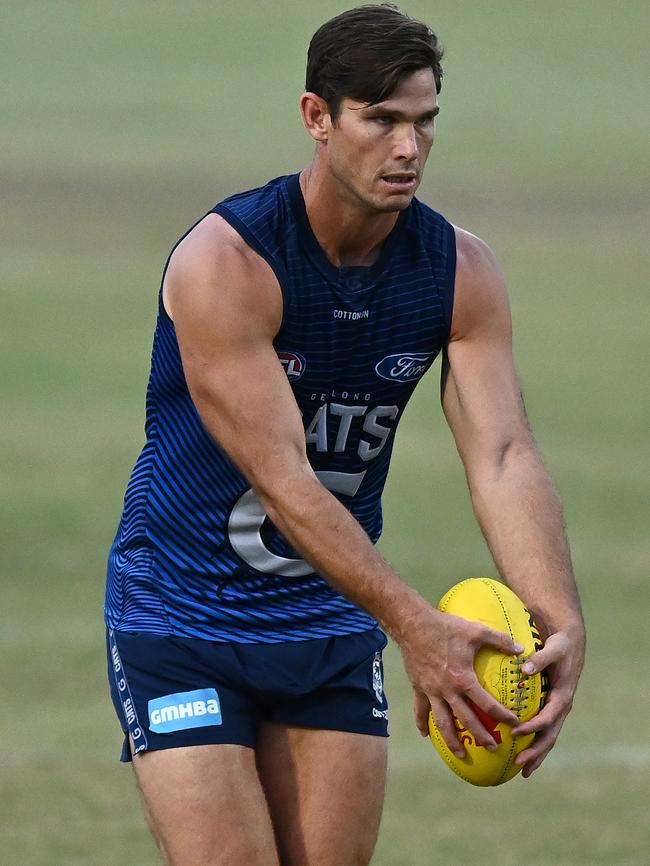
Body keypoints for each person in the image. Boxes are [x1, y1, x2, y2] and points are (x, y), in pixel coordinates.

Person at [105, 4, 586, 865]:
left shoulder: (457, 271)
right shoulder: (228, 263)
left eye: (424, 122)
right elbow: (285, 481)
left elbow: (504, 454)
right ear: (316, 118)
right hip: (179, 614)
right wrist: (416, 626)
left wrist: (557, 624)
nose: (408, 150)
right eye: (381, 120)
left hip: (329, 617)